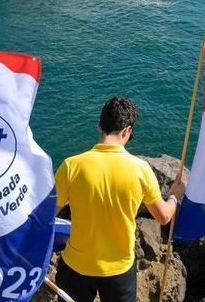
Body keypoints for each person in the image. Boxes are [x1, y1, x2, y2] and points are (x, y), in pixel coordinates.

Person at [54, 97, 184, 302]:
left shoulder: (71, 166)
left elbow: (47, 215)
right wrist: (174, 197)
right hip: (119, 270)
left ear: (99, 125)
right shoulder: (140, 169)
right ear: (127, 131)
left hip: (76, 267)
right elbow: (164, 217)